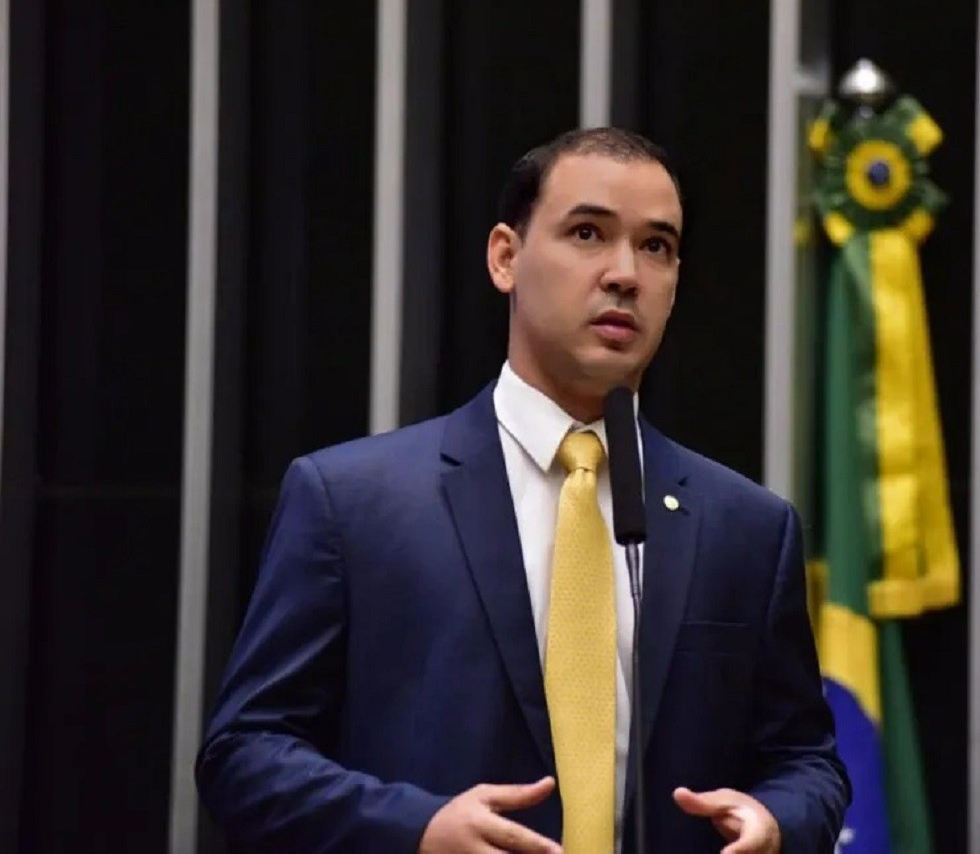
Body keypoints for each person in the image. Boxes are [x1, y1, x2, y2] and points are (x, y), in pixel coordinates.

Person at [196, 127, 849, 853]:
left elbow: (806, 762)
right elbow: (245, 754)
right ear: (505, 257)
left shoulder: (746, 526)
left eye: (656, 246)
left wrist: (775, 822)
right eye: (588, 233)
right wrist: (415, 830)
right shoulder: (352, 502)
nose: (625, 274)